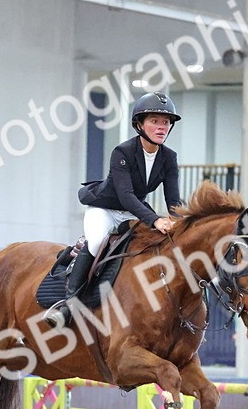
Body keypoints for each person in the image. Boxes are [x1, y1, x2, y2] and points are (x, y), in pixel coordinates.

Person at [44, 91, 183, 326]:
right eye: (154, 121)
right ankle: (68, 306)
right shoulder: (123, 152)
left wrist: (180, 221)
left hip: (133, 211)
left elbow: (174, 201)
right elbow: (126, 195)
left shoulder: (169, 157)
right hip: (106, 207)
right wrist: (156, 220)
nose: (162, 127)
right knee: (98, 241)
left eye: (166, 122)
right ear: (139, 124)